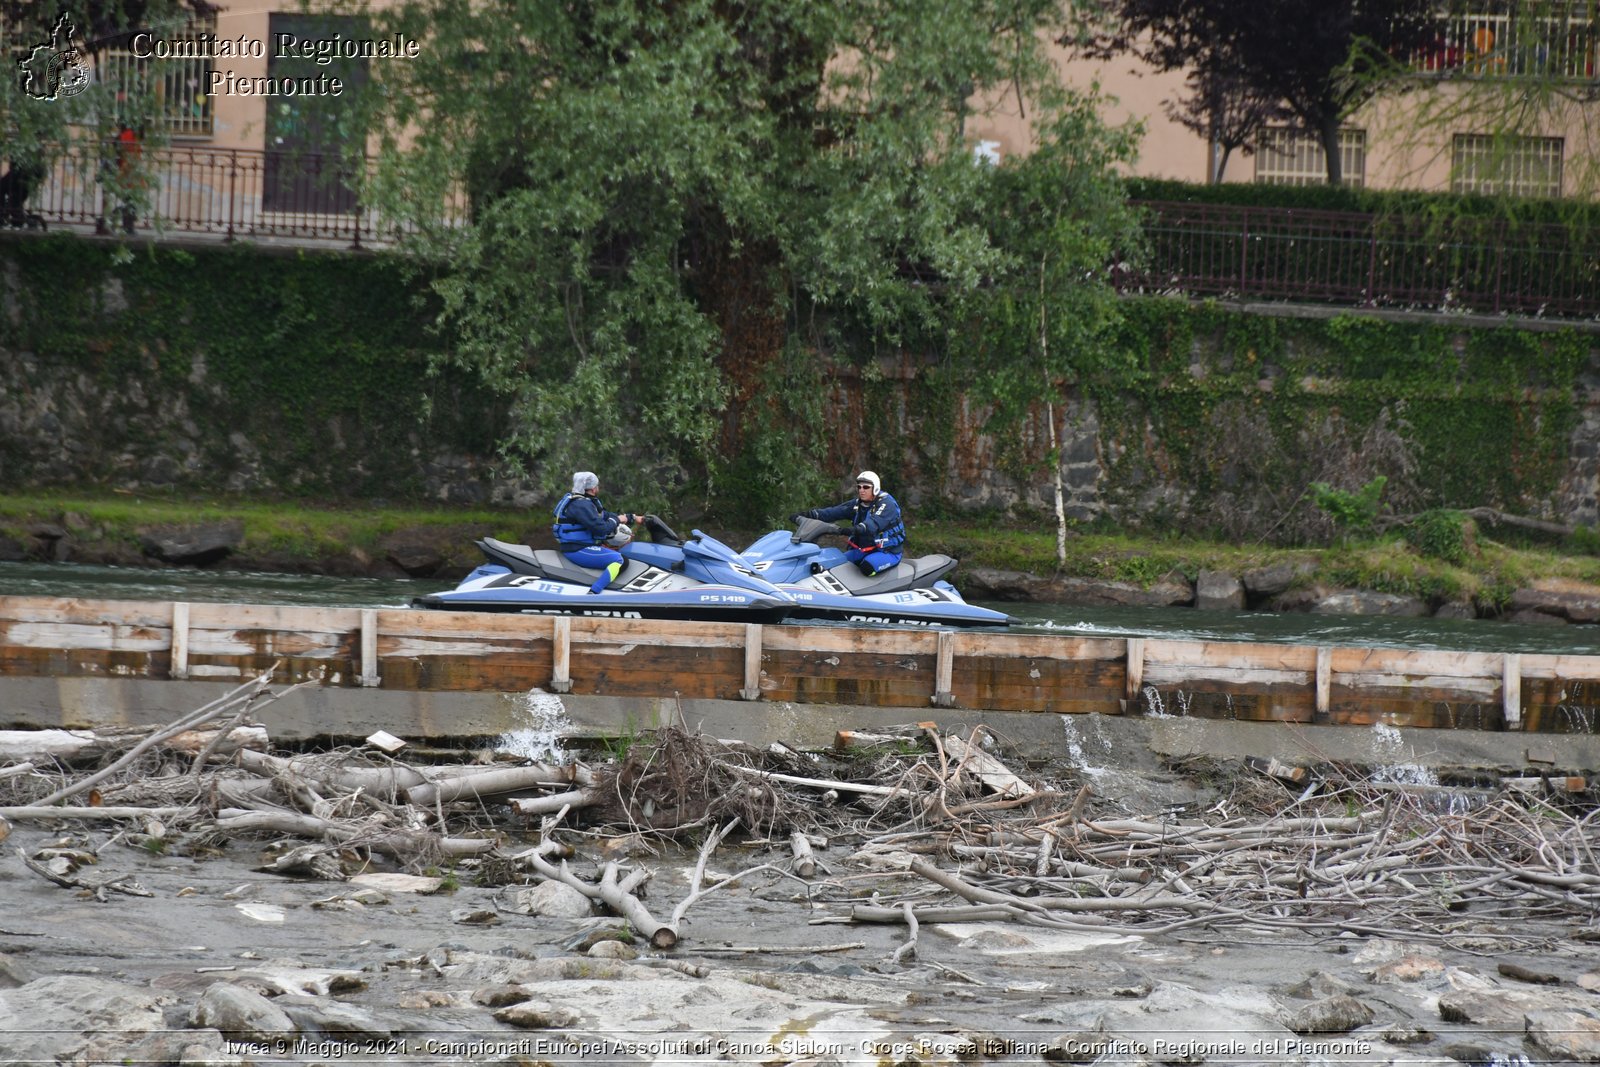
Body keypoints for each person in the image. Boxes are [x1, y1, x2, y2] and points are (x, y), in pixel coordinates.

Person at [792, 470, 905, 576]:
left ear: (875, 488)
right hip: (863, 550)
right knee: (836, 564)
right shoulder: (857, 504)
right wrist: (806, 515)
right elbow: (831, 512)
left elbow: (872, 525)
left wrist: (850, 530)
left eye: (866, 487)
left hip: (888, 552)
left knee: (867, 568)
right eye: (859, 487)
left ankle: (873, 592)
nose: (862, 490)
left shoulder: (887, 504)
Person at [552, 471, 646, 593]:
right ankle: (594, 592)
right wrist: (617, 520)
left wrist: (632, 517)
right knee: (619, 560)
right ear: (592, 488)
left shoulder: (580, 501)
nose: (598, 488)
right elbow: (601, 528)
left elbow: (605, 515)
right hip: (578, 549)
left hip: (579, 546)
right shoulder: (581, 505)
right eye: (597, 485)